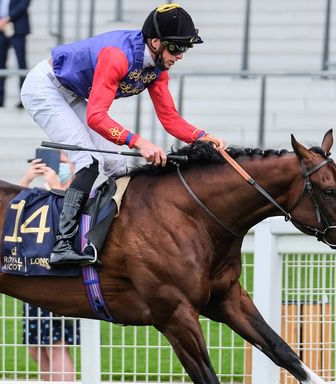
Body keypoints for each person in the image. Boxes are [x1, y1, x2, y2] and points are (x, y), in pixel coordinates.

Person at [20, 3, 226, 266]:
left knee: (116, 163)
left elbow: (170, 119)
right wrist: (138, 142)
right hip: (45, 88)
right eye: (176, 48)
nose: (180, 55)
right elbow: (96, 117)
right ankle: (62, 245)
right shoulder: (117, 56)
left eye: (185, 48)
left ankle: (117, 233)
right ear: (155, 42)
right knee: (88, 162)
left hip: (71, 92)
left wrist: (202, 136)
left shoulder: (157, 69)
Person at [18, 154, 79, 384]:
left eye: (64, 156)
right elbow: (15, 209)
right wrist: (29, 179)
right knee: (36, 346)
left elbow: (68, 212)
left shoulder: (78, 182)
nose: (58, 160)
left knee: (57, 344)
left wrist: (56, 182)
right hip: (34, 271)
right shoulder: (44, 184)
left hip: (58, 276)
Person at [0, 0, 31, 109]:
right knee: (0, 64)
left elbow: (23, 4)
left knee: (21, 64)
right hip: (0, 30)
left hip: (17, 28)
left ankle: (24, 98)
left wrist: (6, 18)